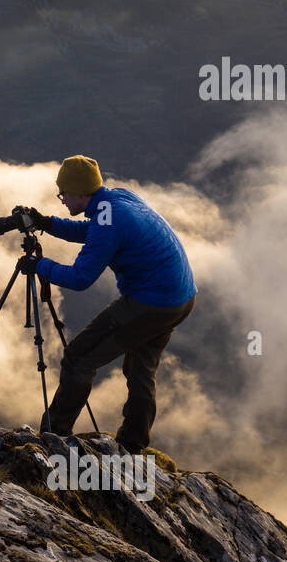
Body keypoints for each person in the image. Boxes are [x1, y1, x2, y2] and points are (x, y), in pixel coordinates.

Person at [17, 155, 196, 454]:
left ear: (81, 192)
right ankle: (132, 445)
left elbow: (79, 277)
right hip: (180, 298)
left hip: (151, 303)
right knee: (140, 370)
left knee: (79, 357)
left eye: (63, 193)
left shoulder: (108, 220)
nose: (61, 199)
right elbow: (91, 231)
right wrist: (46, 224)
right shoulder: (117, 199)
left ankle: (54, 438)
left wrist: (40, 267)